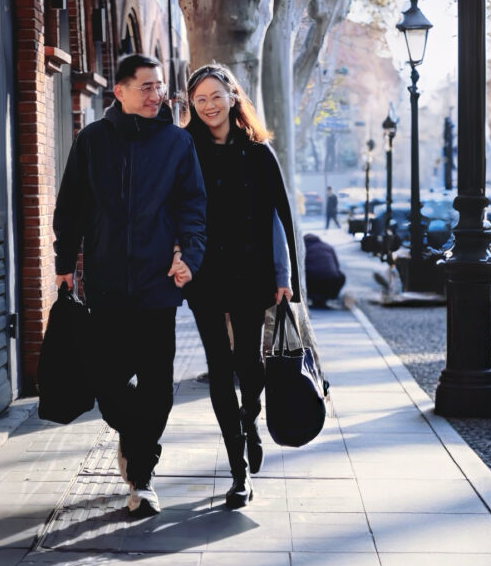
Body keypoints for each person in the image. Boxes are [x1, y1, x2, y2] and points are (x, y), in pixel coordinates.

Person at [53, 54, 206, 518]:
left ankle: (141, 477)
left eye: (159, 86)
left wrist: (190, 258)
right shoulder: (93, 141)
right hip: (106, 285)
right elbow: (72, 205)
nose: (155, 94)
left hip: (158, 285)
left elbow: (193, 209)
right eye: (145, 86)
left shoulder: (178, 143)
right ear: (118, 91)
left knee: (158, 387)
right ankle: (137, 442)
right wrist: (64, 263)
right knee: (109, 383)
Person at [181, 63, 301, 509]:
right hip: (206, 272)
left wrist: (285, 278)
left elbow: (278, 220)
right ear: (192, 105)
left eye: (216, 95)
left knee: (249, 362)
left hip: (252, 273)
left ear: (234, 96)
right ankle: (238, 470)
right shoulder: (184, 148)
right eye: (200, 99)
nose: (209, 105)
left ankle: (249, 420)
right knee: (219, 363)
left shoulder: (258, 152)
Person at [304, 233, 346, 309]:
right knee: (341, 276)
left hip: (312, 281)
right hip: (330, 281)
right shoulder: (328, 247)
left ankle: (314, 297)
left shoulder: (304, 248)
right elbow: (337, 267)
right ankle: (326, 297)